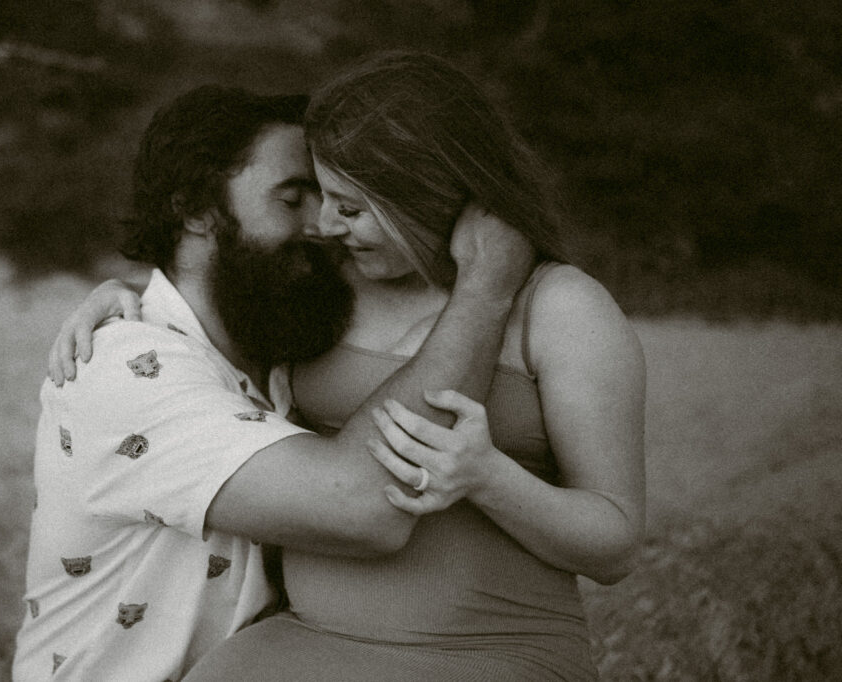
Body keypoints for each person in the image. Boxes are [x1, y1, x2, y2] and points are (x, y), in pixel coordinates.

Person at [55, 51, 646, 681]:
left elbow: (615, 544)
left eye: (350, 206)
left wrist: (489, 478)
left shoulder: (558, 306)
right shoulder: (330, 282)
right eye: (316, 198)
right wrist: (130, 294)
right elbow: (219, 291)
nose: (326, 225)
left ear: (425, 192)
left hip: (491, 652)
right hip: (303, 640)